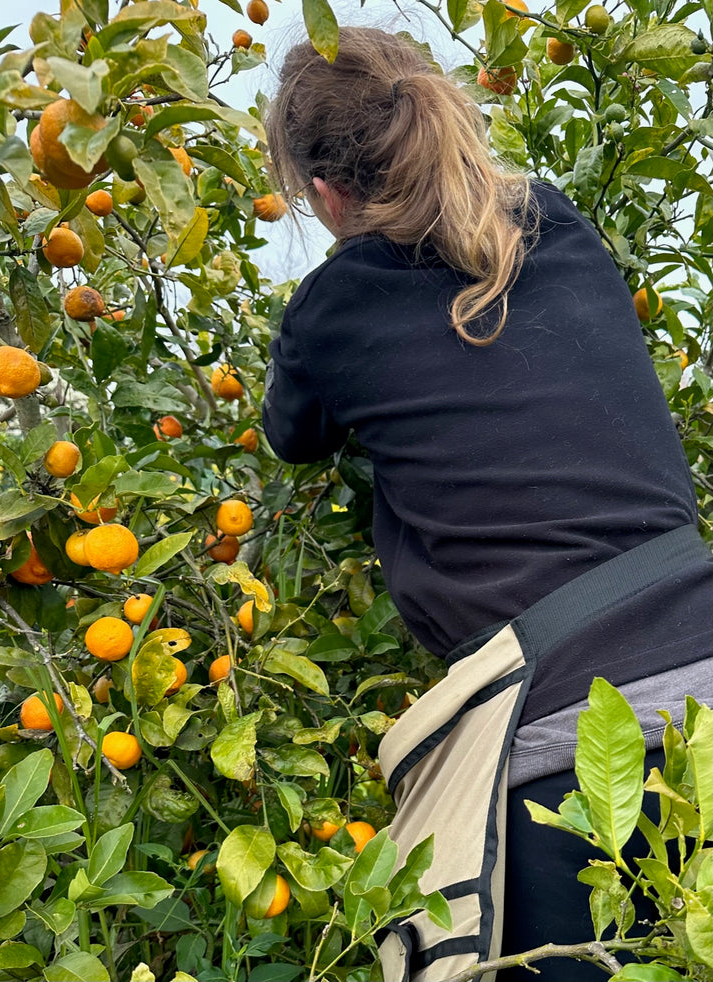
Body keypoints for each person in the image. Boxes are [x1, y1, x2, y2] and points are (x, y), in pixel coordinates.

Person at [261, 26, 713, 982]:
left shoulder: (332, 310)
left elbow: (294, 437)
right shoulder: (556, 221)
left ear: (326, 193)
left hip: (562, 742)